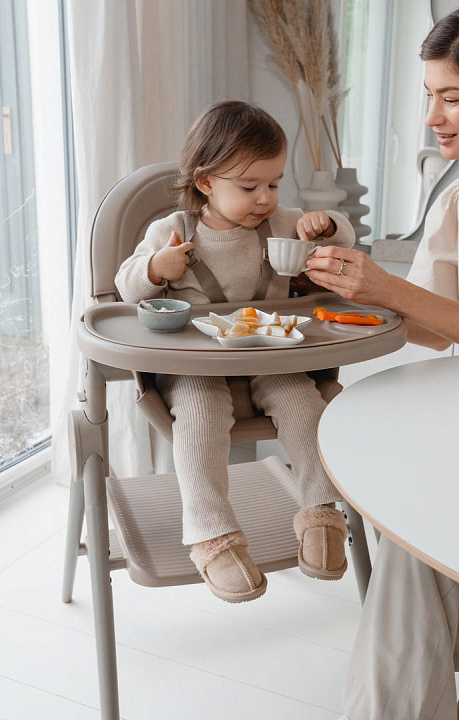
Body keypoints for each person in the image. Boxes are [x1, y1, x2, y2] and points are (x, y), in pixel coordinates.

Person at [306, 0, 459, 719]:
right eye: (428, 95)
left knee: (410, 571)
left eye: (451, 97)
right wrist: (340, 295)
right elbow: (432, 326)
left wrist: (389, 288)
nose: (431, 116)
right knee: (407, 553)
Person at [116, 101, 355, 604]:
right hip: (196, 368)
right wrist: (157, 268)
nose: (265, 198)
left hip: (270, 354)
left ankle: (321, 513)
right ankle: (212, 536)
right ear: (206, 182)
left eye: (275, 183)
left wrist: (327, 227)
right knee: (200, 418)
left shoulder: (283, 222)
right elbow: (126, 287)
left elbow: (343, 237)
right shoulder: (173, 231)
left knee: (305, 407)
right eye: (249, 187)